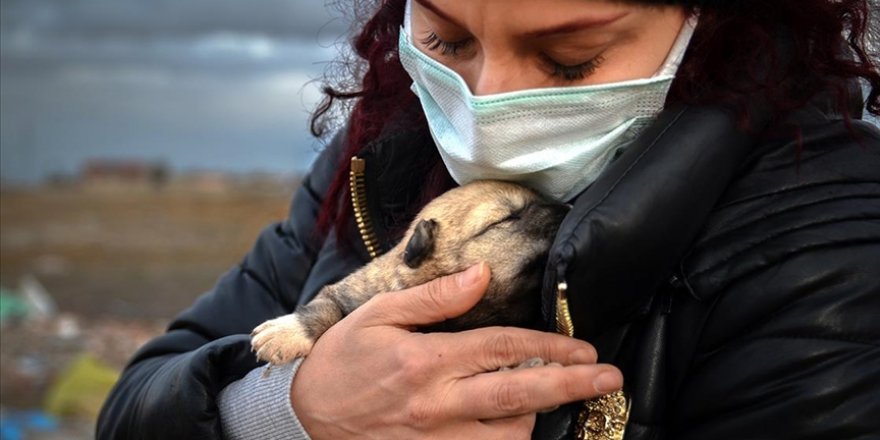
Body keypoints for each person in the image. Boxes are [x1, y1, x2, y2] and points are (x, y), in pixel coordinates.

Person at [97, 0, 880, 439]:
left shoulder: (830, 243)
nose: (487, 103)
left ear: (714, 22)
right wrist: (286, 412)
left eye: (570, 59)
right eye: (447, 38)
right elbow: (134, 410)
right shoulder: (380, 157)